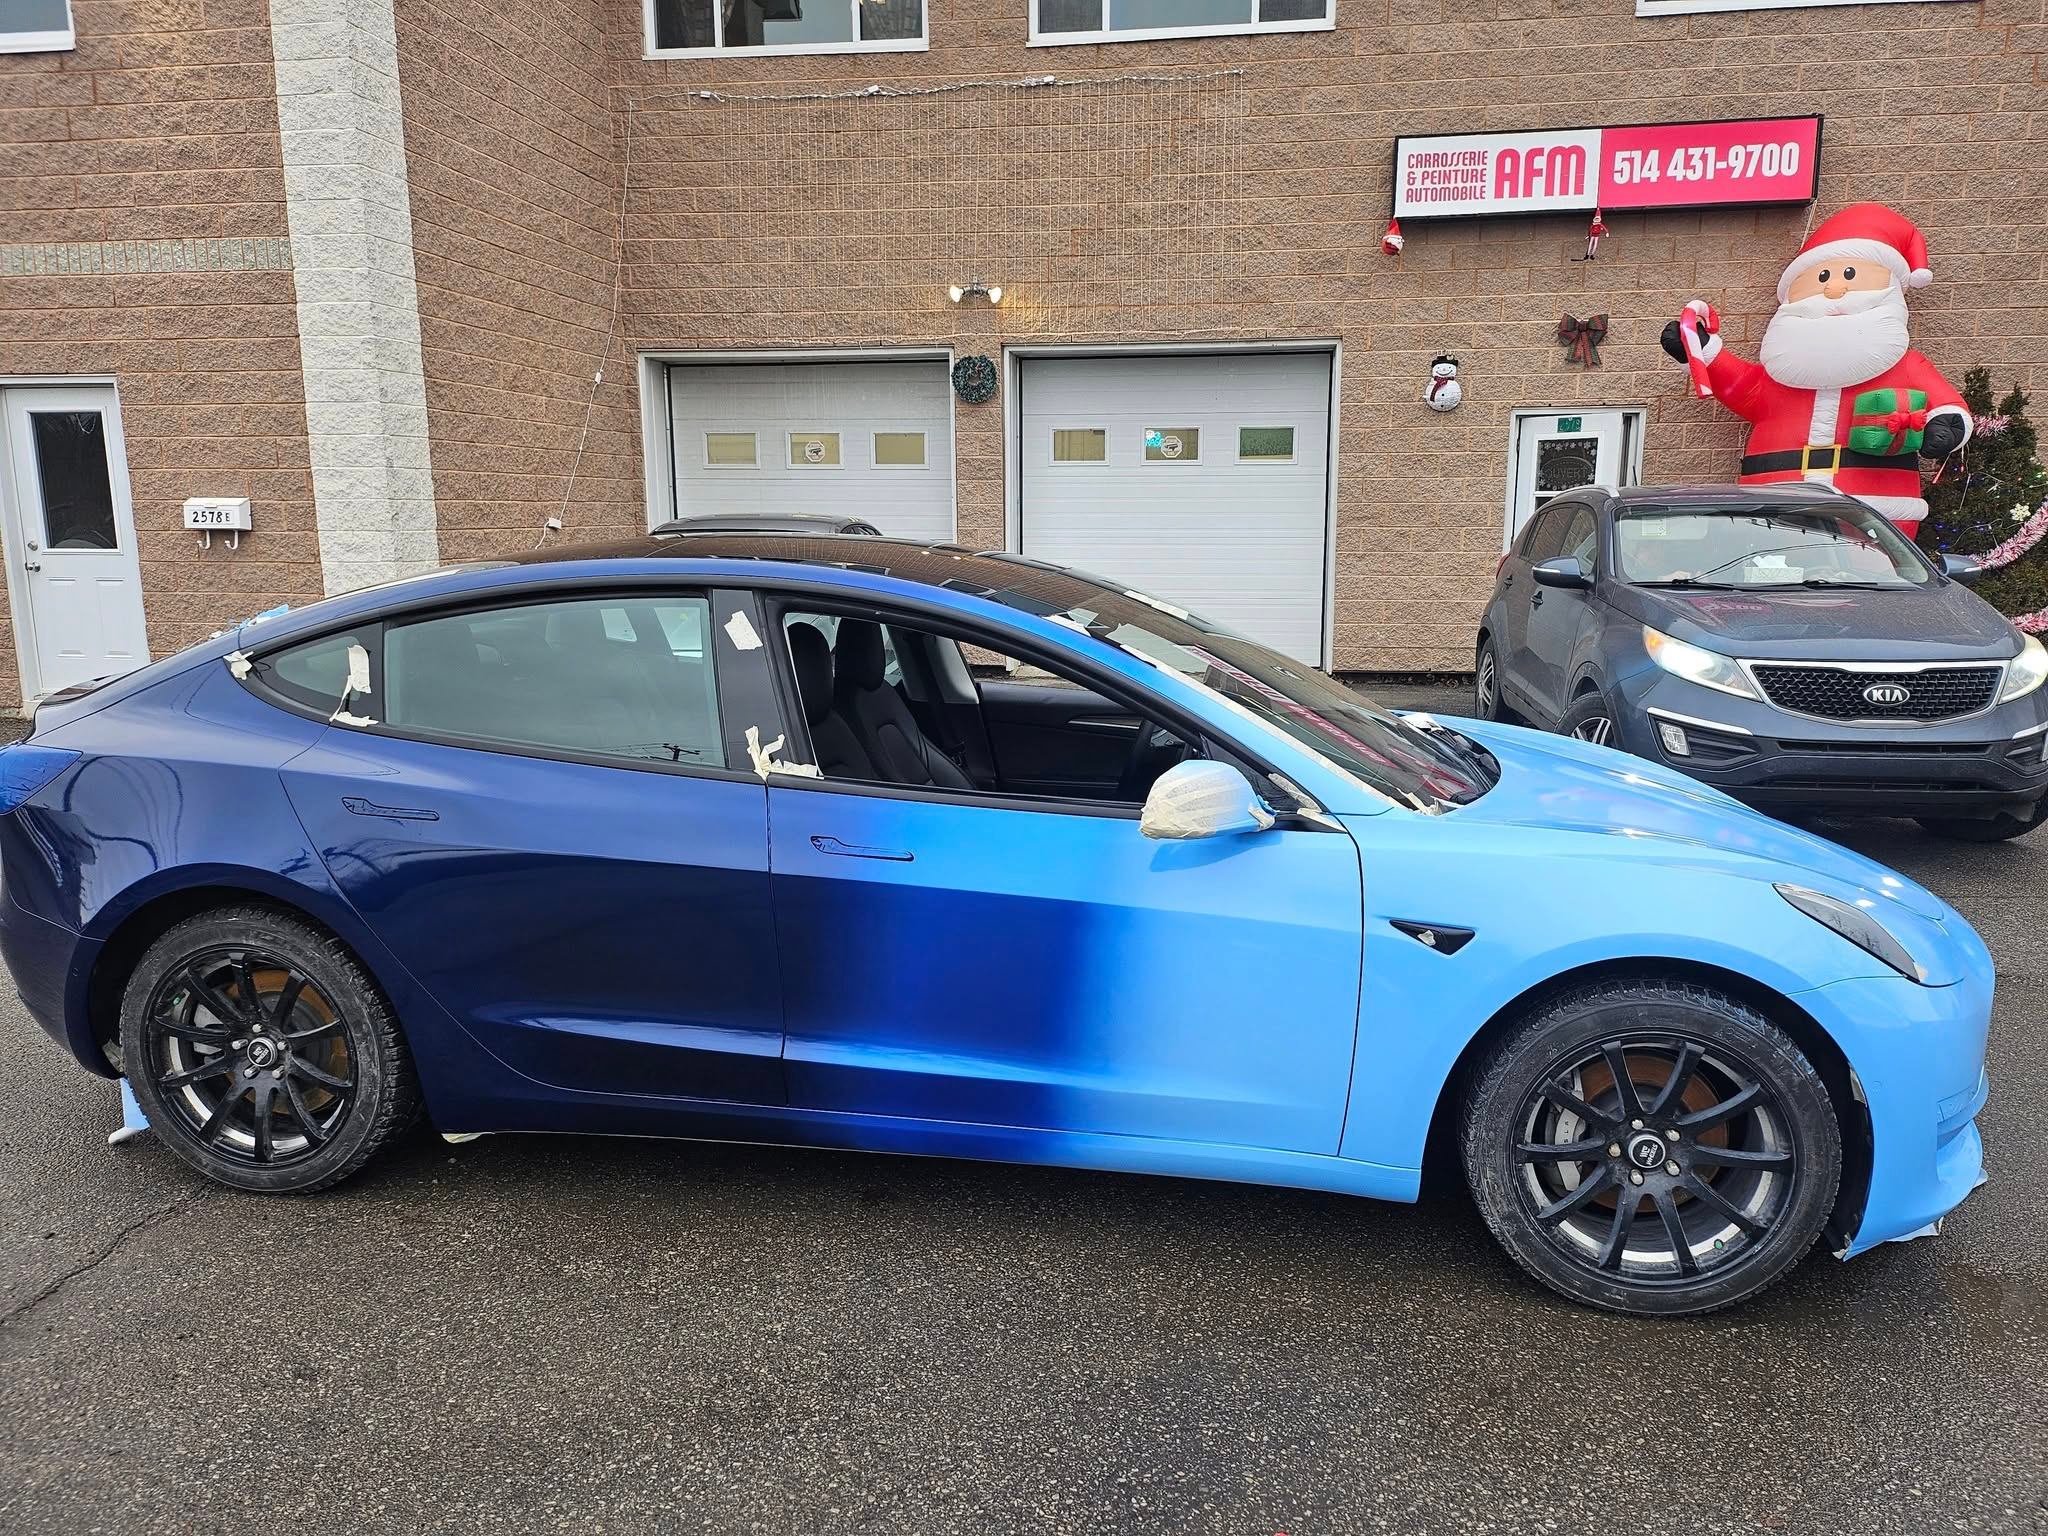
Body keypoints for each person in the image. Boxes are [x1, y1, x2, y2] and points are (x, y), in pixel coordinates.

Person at [1661, 203, 1970, 539]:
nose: (1834, 290)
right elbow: (1742, 388)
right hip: (1776, 503)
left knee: (1871, 570)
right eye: (1822, 277)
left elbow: (1946, 404)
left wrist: (1945, 425)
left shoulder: (1905, 365)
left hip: (1872, 507)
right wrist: (1701, 350)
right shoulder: (1778, 375)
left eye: (1849, 275)